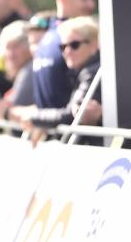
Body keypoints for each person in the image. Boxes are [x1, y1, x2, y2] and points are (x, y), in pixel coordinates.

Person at [8, 16, 101, 145]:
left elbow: (72, 115)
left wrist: (35, 117)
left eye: (74, 45)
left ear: (94, 44)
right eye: (63, 47)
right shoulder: (81, 71)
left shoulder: (92, 71)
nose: (68, 51)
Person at [32, 0, 96, 109]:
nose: (91, 5)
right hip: (68, 126)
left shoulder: (46, 36)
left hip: (50, 125)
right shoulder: (75, 39)